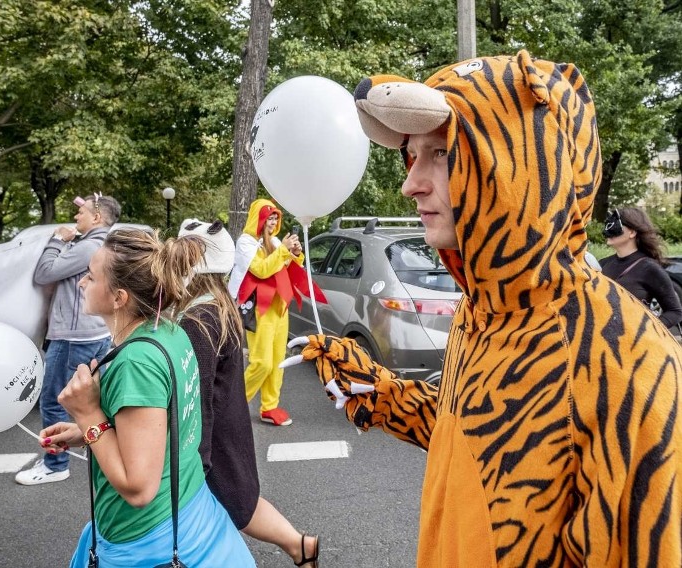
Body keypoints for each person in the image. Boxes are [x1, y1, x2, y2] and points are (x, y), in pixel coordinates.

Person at [287, 51, 682, 565]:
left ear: (527, 166)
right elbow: (479, 433)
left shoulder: (630, 364)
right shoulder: (482, 310)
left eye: (443, 154)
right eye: (414, 154)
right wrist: (379, 394)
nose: (411, 183)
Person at [38, 229, 256, 567]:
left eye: (91, 277)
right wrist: (90, 433)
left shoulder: (135, 362)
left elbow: (139, 489)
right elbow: (163, 423)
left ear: (118, 298)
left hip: (147, 537)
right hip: (192, 513)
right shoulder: (168, 330)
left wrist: (88, 415)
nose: (81, 283)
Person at [176, 218, 320, 567]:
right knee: (242, 500)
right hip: (230, 424)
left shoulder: (198, 320)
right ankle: (301, 547)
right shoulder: (218, 304)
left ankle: (300, 546)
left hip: (213, 437)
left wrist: (197, 457)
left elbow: (199, 396)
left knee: (235, 503)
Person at [15, 193, 120, 485]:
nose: (75, 218)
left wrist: (58, 241)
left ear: (97, 218)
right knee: (94, 398)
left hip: (74, 337)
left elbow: (44, 273)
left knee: (54, 401)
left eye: (82, 213)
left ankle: (55, 464)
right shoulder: (108, 244)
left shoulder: (89, 246)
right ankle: (95, 453)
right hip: (97, 333)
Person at [228, 199, 307, 426]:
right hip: (259, 308)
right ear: (258, 218)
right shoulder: (245, 242)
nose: (273, 223)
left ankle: (270, 407)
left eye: (275, 218)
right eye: (270, 218)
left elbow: (288, 268)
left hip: (280, 307)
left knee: (278, 362)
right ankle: (235, 406)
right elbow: (261, 270)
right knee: (261, 362)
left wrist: (296, 254)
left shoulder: (273, 241)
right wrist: (282, 250)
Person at [600, 206, 682, 330]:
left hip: (632, 346)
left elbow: (675, 311)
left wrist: (646, 332)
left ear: (632, 232)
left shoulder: (649, 268)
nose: (608, 230)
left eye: (616, 224)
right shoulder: (602, 264)